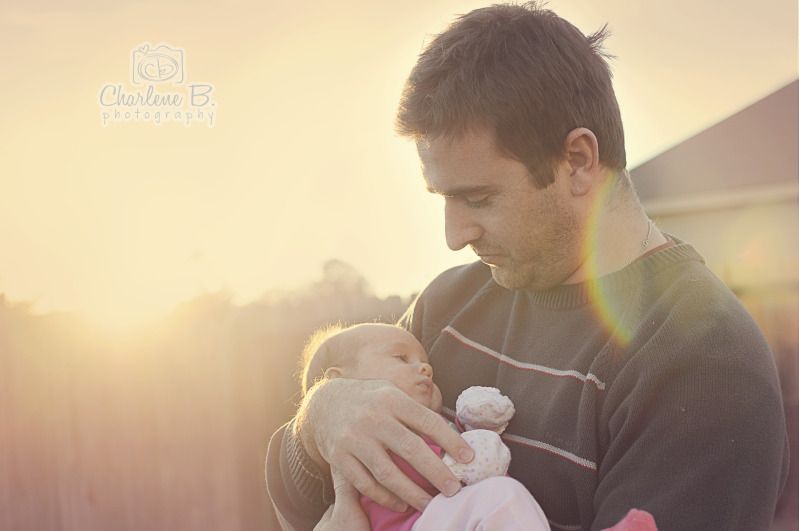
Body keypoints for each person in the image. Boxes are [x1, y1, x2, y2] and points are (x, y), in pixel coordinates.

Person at [266, 3, 790, 530]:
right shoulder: (449, 306)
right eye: (443, 199)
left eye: (479, 198)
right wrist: (319, 419)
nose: (454, 237)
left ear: (578, 160)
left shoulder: (703, 363)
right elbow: (312, 503)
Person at [299, 322, 555, 531]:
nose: (426, 368)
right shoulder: (371, 435)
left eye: (425, 361)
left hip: (441, 517)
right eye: (401, 358)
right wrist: (467, 459)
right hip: (414, 523)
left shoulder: (428, 424)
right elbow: (415, 467)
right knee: (501, 498)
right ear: (339, 385)